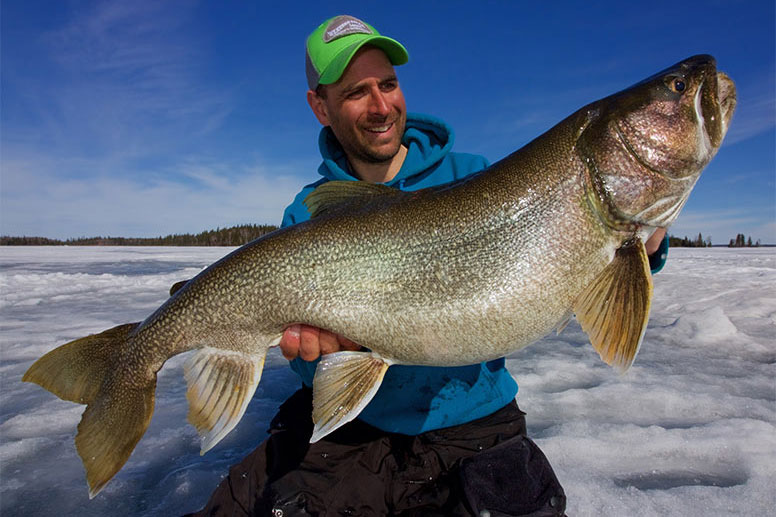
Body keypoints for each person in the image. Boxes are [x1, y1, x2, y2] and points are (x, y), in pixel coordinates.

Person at [189, 15, 668, 517]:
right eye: (356, 92)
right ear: (320, 107)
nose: (380, 106)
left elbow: (584, 264)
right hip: (352, 432)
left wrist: (641, 241)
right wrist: (314, 355)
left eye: (389, 84)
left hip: (475, 423)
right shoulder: (307, 213)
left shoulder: (479, 177)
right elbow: (307, 357)